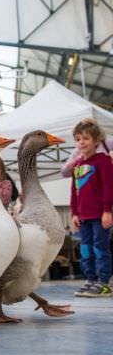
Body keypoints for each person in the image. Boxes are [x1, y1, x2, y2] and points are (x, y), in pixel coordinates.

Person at [70, 119, 113, 297]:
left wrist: (107, 211)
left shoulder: (103, 162)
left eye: (86, 138)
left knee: (100, 248)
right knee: (85, 249)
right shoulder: (77, 165)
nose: (82, 142)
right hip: (83, 216)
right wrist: (74, 212)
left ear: (96, 141)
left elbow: (109, 187)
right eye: (78, 139)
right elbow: (74, 190)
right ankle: (90, 279)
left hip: (99, 215)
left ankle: (104, 282)